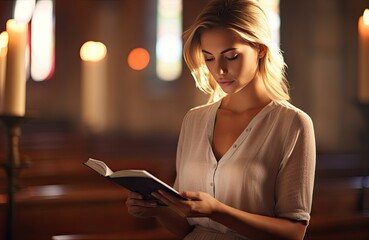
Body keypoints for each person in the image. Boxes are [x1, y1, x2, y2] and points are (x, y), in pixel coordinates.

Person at [125, 0, 316, 239]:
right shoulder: (194, 120)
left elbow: (294, 233)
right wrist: (157, 210)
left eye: (231, 56)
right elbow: (186, 227)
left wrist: (217, 211)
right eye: (209, 58)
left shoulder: (293, 124)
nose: (219, 70)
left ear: (260, 49)